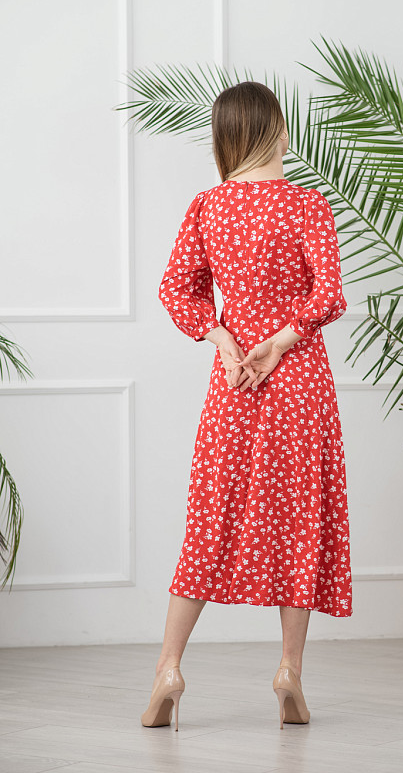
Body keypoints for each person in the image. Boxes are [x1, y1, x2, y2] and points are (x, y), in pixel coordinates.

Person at [141, 81, 352, 732]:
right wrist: (280, 340)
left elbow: (176, 289)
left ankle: (169, 669)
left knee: (210, 517)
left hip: (232, 384)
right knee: (300, 520)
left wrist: (225, 337)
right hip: (297, 382)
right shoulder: (308, 206)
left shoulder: (209, 208)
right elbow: (329, 295)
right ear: (278, 131)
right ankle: (288, 669)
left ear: (223, 139)